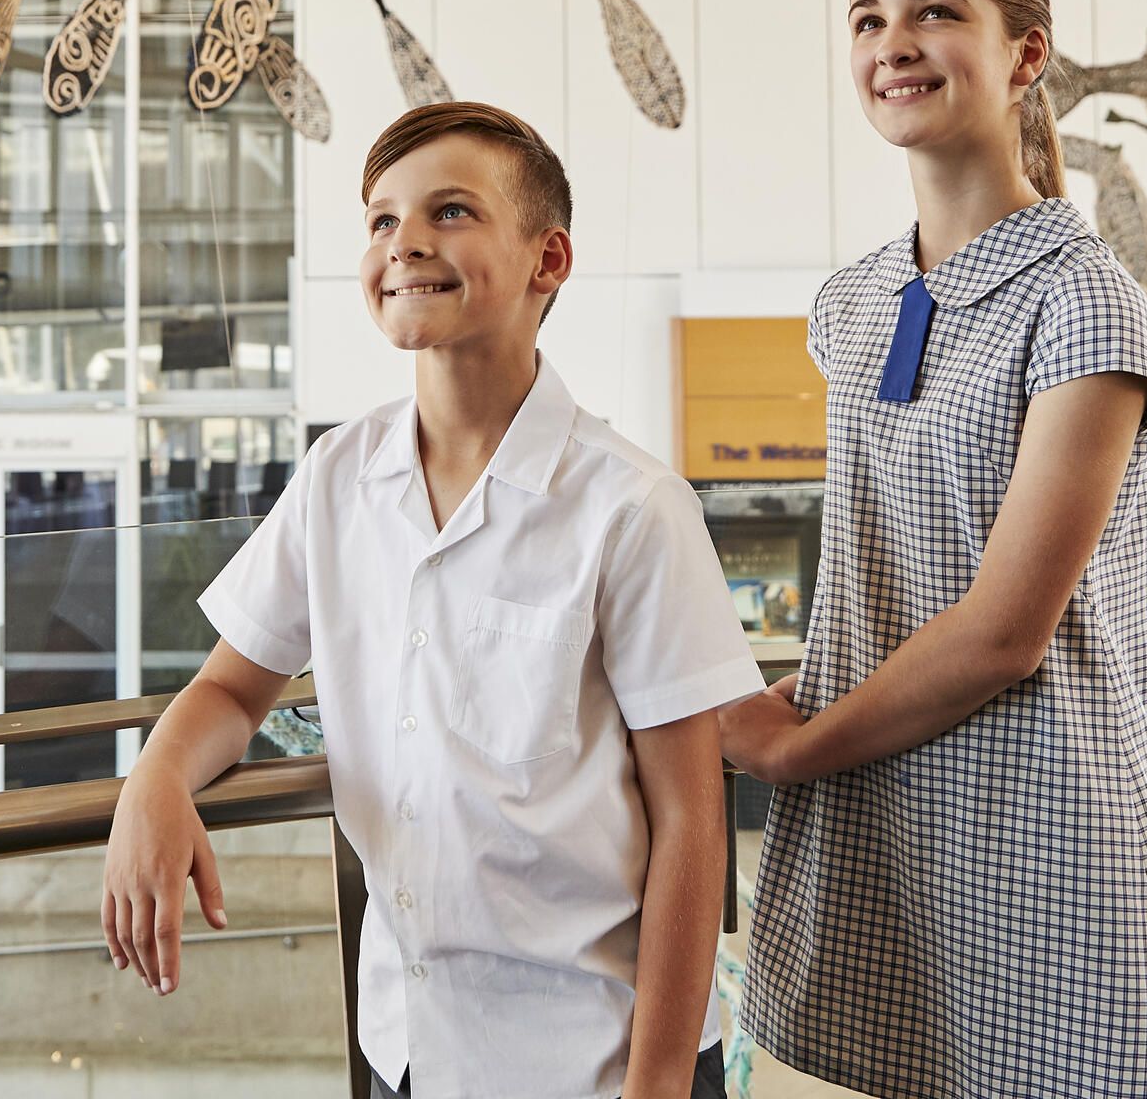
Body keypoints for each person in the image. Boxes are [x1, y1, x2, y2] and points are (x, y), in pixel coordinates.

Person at [102, 101, 762, 1099]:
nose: (404, 239)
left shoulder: (632, 507)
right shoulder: (337, 474)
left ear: (549, 260)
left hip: (594, 1059)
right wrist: (154, 778)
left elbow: (691, 821)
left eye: (450, 211)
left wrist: (659, 1082)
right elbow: (233, 689)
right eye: (380, 219)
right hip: (405, 1044)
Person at [722, 0, 1147, 1099]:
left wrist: (792, 747)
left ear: (1025, 53)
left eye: (937, 9)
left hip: (1050, 832)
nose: (896, 41)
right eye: (869, 18)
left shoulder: (1085, 303)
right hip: (898, 825)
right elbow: (886, 562)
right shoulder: (854, 300)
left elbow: (1006, 627)